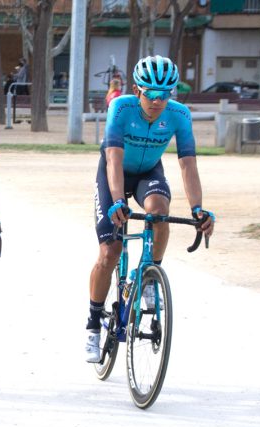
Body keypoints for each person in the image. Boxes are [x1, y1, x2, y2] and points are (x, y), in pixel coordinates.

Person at [84, 55, 215, 363]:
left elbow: (188, 165)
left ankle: (149, 275)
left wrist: (198, 208)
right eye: (151, 94)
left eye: (165, 94)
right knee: (109, 251)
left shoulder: (179, 115)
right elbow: (114, 159)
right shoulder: (122, 107)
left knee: (159, 210)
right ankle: (92, 323)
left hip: (148, 173)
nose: (157, 101)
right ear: (136, 89)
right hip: (113, 174)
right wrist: (118, 200)